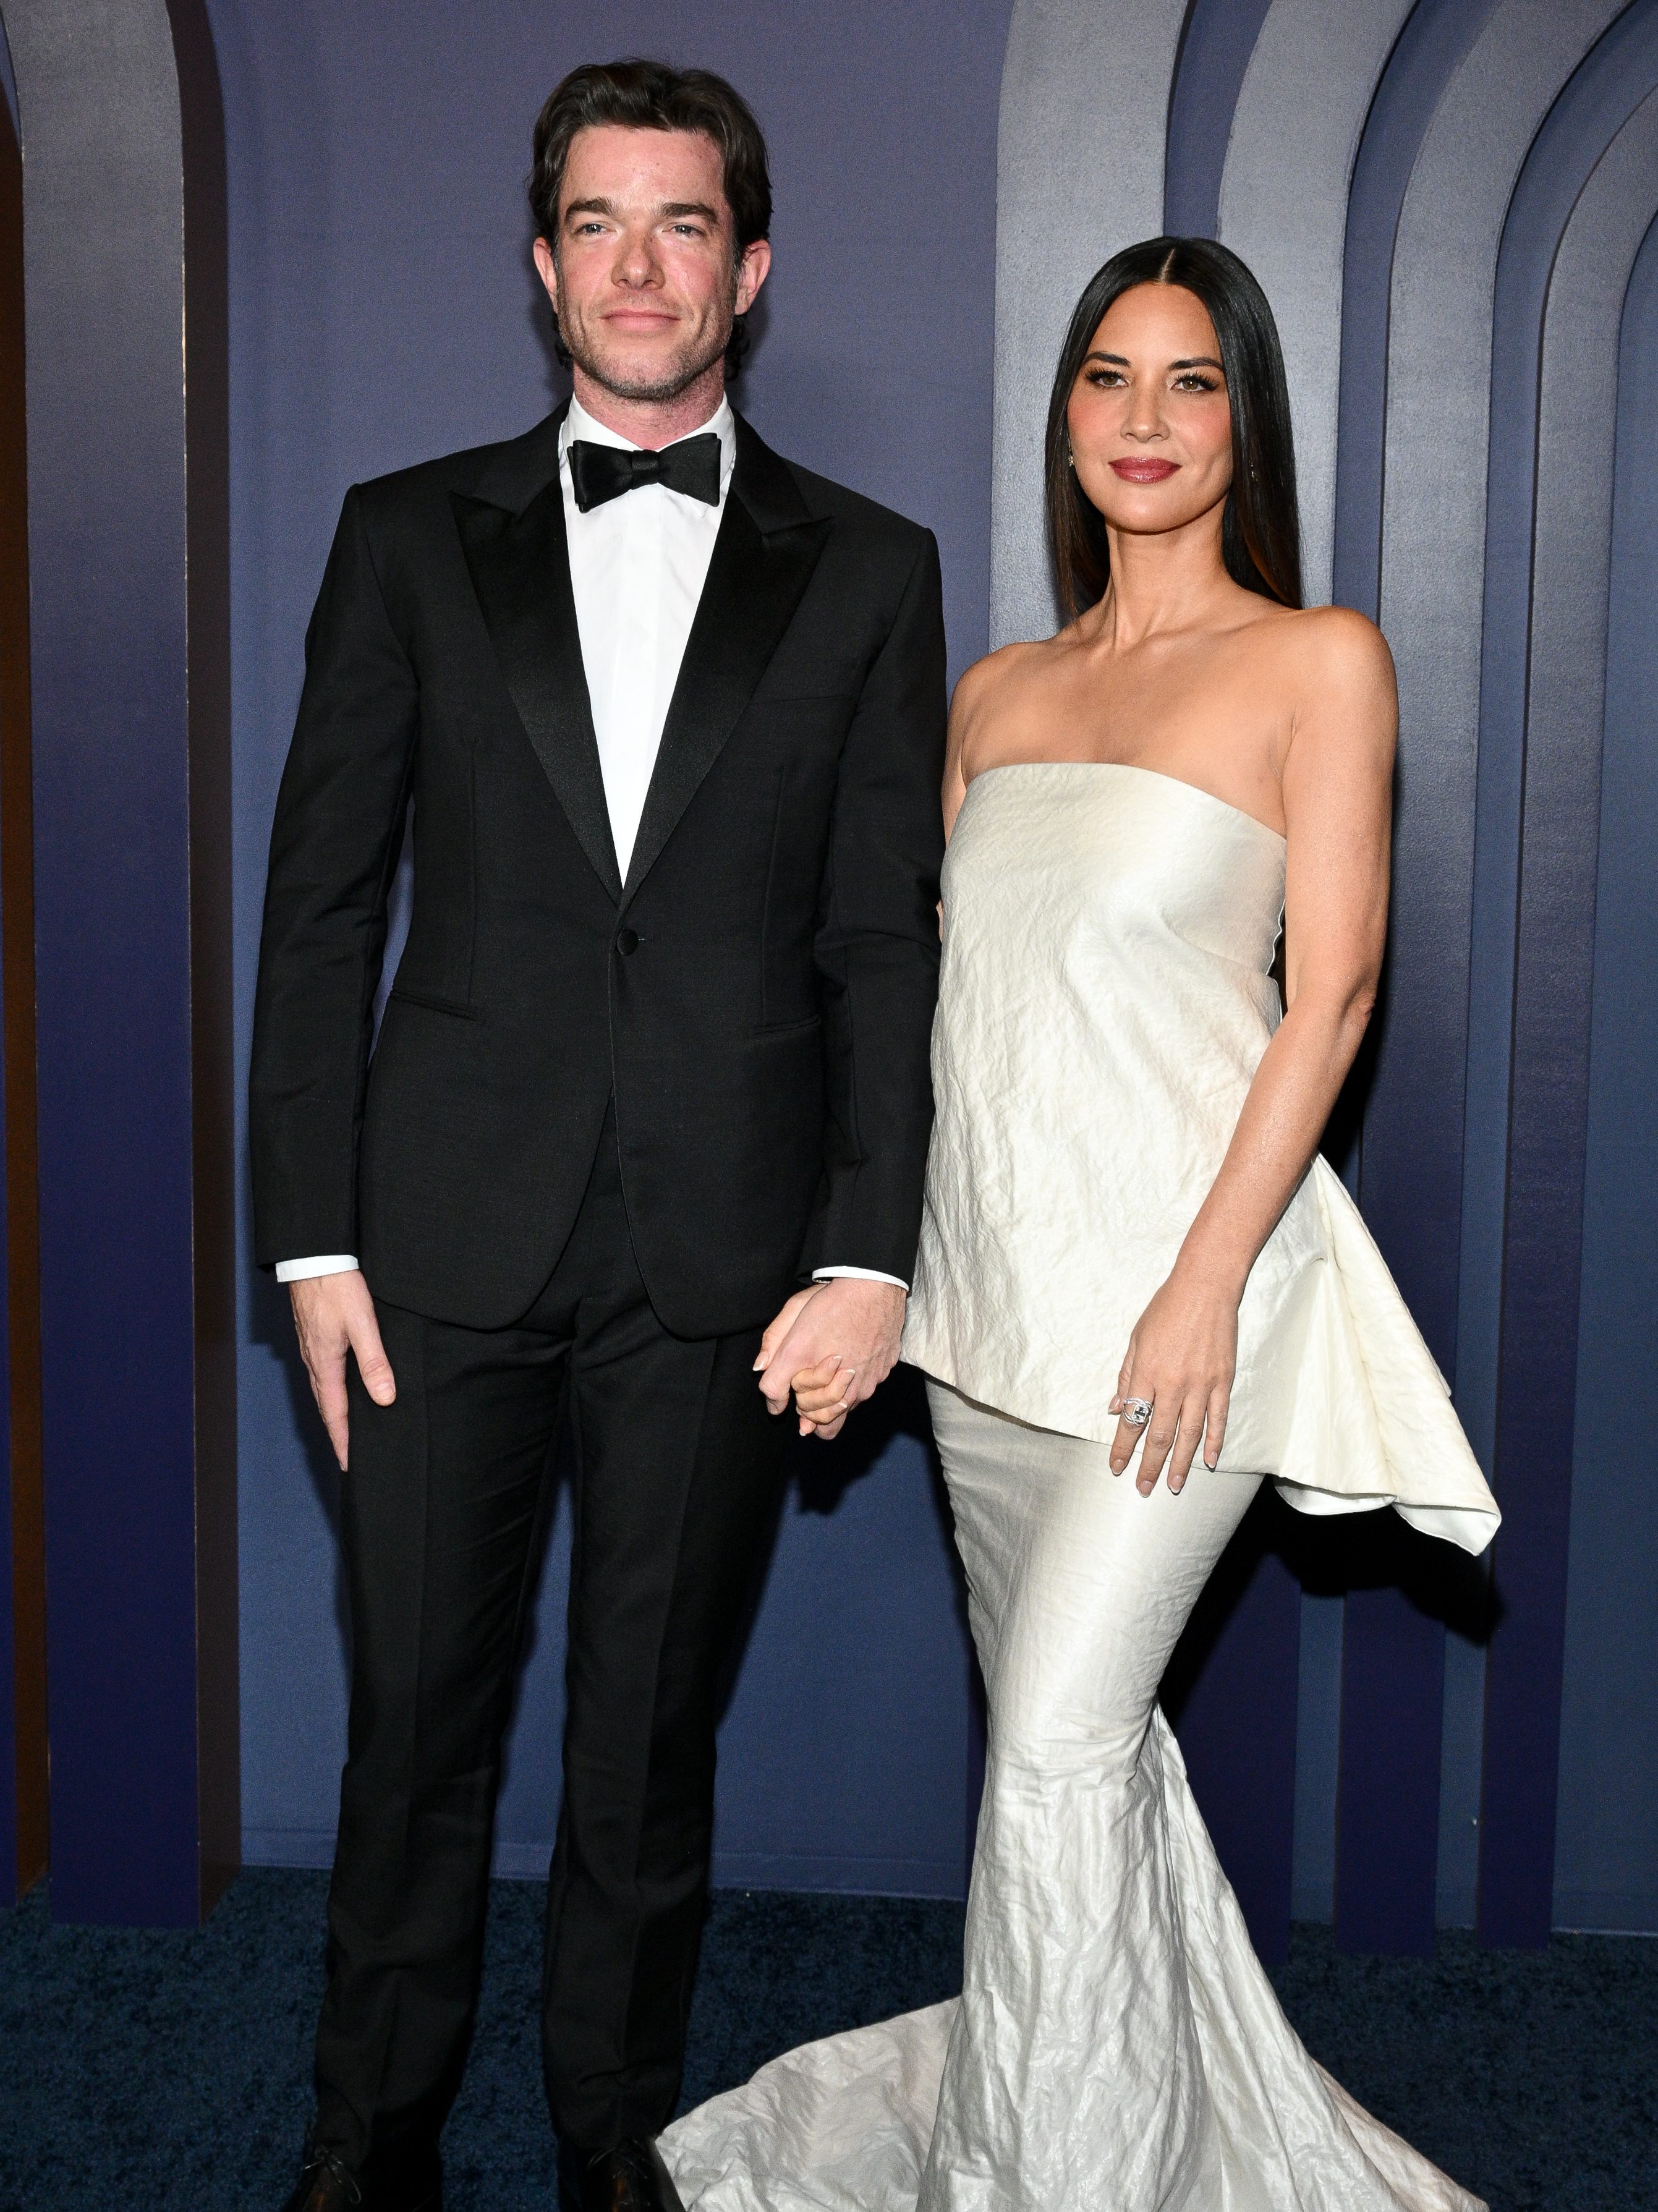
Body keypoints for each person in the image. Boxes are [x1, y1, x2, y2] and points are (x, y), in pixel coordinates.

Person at [659, 240, 1500, 2210]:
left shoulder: (1320, 661)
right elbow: (944, 1016)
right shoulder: (995, 692)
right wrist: (866, 1267)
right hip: (995, 1308)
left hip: (1181, 1307)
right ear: (1064, 412)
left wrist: (1203, 1287)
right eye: (1107, 378)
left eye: (1190, 383)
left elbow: (1336, 996)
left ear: (1242, 419)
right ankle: (1144, 2117)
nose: (1142, 420)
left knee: (1048, 1755)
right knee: (1078, 1785)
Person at [249, 58, 946, 2212]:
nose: (637, 267)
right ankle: (371, 2144)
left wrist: (865, 1244)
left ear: (750, 266)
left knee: (648, 1754)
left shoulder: (871, 570)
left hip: (723, 1266)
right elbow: (320, 909)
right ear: (543, 261)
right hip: (435, 1247)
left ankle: (608, 2137)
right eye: (595, 223)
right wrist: (309, 1240)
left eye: (680, 226)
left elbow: (877, 942)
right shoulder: (402, 533)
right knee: (415, 1739)